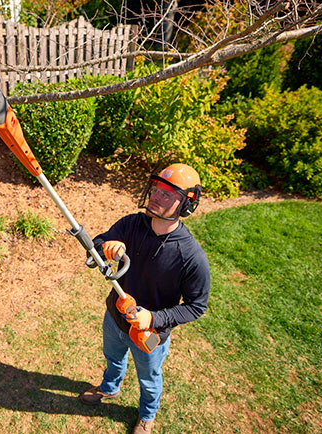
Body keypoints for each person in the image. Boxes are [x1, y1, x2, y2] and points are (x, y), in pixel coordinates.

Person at [78, 163, 211, 434]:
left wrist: (154, 317)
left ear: (187, 204)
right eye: (156, 190)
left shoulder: (191, 257)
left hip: (150, 334)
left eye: (167, 194)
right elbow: (98, 247)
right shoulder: (131, 224)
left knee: (149, 378)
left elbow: (197, 307)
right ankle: (109, 388)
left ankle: (147, 416)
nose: (155, 197)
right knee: (113, 359)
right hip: (115, 319)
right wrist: (106, 247)